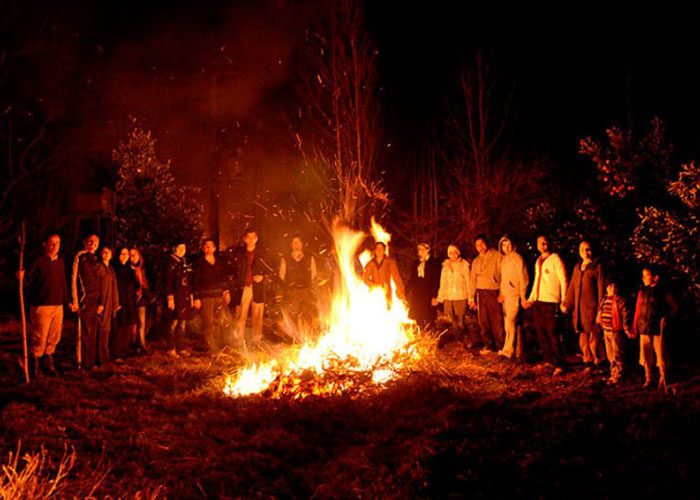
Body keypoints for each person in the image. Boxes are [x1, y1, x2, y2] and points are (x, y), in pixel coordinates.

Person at [22, 233, 70, 378]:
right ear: (45, 244)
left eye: (57, 243)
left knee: (54, 336)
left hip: (57, 305)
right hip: (41, 305)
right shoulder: (38, 261)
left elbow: (63, 283)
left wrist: (67, 301)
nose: (55, 246)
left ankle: (48, 365)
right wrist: (21, 278)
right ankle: (34, 368)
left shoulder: (60, 262)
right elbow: (27, 282)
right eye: (52, 243)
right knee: (40, 337)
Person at [523, 235, 568, 376]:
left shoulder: (556, 260)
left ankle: (560, 364)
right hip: (539, 302)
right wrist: (531, 298)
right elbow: (537, 280)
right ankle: (549, 361)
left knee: (553, 333)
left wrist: (564, 300)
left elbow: (563, 279)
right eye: (540, 243)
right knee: (541, 333)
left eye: (545, 242)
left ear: (548, 244)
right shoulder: (538, 261)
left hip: (551, 301)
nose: (543, 245)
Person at [632, 266, 679, 389]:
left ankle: (663, 378)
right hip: (644, 327)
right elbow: (638, 310)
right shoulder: (642, 292)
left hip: (658, 328)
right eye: (643, 275)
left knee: (661, 355)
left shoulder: (663, 292)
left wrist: (666, 317)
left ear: (655, 277)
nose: (643, 278)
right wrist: (634, 325)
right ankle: (648, 378)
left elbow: (675, 308)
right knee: (646, 355)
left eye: (646, 275)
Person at [562, 240, 605, 372]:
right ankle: (587, 361)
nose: (585, 252)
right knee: (583, 340)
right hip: (579, 310)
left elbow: (601, 289)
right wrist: (567, 304)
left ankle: (599, 362)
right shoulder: (577, 267)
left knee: (594, 339)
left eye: (588, 249)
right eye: (582, 249)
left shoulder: (597, 267)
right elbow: (572, 288)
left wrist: (600, 310)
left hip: (591, 309)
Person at [72, 234, 107, 370]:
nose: (92, 244)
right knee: (84, 332)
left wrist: (100, 302)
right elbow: (74, 278)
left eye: (95, 242)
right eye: (90, 241)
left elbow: (99, 282)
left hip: (95, 299)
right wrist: (75, 300)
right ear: (85, 242)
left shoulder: (96, 260)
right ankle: (81, 362)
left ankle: (90, 362)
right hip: (84, 300)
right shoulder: (81, 257)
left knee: (93, 332)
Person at [194, 238, 233, 351]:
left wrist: (226, 291)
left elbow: (224, 278)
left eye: (210, 246)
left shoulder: (219, 262)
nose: (208, 248)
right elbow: (195, 281)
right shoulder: (199, 264)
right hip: (206, 297)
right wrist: (196, 298)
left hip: (219, 296)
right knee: (208, 322)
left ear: (215, 248)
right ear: (203, 248)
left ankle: (225, 344)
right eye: (206, 246)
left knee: (225, 320)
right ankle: (210, 345)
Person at [233, 228, 269, 346]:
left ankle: (257, 341)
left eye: (253, 237)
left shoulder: (263, 254)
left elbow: (270, 269)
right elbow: (233, 270)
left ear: (257, 239)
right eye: (248, 237)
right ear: (245, 239)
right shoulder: (239, 254)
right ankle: (238, 341)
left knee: (257, 316)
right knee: (240, 315)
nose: (251, 240)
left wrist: (263, 276)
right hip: (243, 288)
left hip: (257, 288)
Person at [468, 235, 503, 352]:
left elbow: (503, 275)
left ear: (486, 243)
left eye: (482, 244)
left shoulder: (497, 256)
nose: (480, 247)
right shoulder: (476, 261)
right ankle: (488, 345)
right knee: (483, 321)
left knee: (497, 320)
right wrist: (471, 298)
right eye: (478, 246)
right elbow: (472, 280)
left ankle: (501, 346)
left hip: (494, 291)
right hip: (481, 293)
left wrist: (502, 292)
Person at [279, 234, 318, 341]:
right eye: (293, 242)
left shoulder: (309, 258)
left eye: (298, 242)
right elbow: (282, 276)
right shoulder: (285, 259)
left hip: (306, 291)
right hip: (292, 292)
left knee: (307, 315)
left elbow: (313, 274)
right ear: (291, 245)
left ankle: (308, 339)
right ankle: (294, 340)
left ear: (302, 244)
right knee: (292, 316)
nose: (296, 244)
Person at [497, 235, 529, 360]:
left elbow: (523, 278)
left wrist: (523, 296)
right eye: (504, 245)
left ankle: (508, 350)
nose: (507, 247)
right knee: (508, 325)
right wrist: (501, 293)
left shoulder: (518, 258)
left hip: (515, 295)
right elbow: (503, 279)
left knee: (510, 323)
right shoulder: (504, 260)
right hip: (506, 297)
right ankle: (517, 351)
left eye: (509, 245)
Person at [596, 278, 632, 385]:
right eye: (610, 286)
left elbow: (625, 314)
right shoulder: (605, 300)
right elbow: (600, 310)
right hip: (606, 330)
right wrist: (599, 318)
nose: (612, 288)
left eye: (614, 286)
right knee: (610, 353)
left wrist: (626, 327)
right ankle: (613, 373)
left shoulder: (620, 300)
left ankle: (619, 374)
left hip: (615, 330)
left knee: (617, 353)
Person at [164, 241, 193, 357]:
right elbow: (167, 282)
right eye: (179, 248)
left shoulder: (184, 263)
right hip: (175, 297)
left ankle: (181, 347)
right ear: (174, 249)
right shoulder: (170, 263)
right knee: (173, 323)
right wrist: (170, 297)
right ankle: (171, 348)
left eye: (184, 248)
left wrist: (190, 295)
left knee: (182, 323)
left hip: (183, 297)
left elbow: (188, 280)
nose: (181, 251)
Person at [436, 244, 470, 341]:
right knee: (453, 322)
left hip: (461, 296)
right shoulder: (445, 266)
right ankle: (460, 340)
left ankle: (466, 337)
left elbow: (468, 281)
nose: (452, 254)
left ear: (458, 253)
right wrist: (439, 298)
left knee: (460, 322)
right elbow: (442, 282)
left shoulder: (464, 265)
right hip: (448, 297)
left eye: (454, 252)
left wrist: (470, 297)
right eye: (450, 252)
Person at [112, 247, 139, 360]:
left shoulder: (130, 270)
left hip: (130, 302)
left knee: (129, 327)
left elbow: (135, 285)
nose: (125, 256)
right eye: (122, 254)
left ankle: (126, 351)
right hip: (120, 302)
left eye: (126, 254)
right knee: (120, 328)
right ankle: (116, 353)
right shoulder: (114, 270)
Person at [406, 242, 441, 329]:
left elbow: (436, 280)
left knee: (429, 317)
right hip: (417, 293)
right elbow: (412, 278)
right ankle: (421, 333)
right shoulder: (416, 263)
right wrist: (406, 290)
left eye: (422, 249)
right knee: (418, 316)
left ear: (428, 250)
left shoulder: (434, 263)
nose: (420, 251)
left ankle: (431, 335)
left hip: (429, 293)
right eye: (419, 249)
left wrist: (435, 296)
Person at [363, 241, 406, 306]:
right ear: (375, 251)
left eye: (381, 249)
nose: (379, 251)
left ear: (384, 250)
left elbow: (396, 277)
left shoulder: (389, 262)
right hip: (375, 293)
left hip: (387, 293)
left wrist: (402, 292)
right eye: (378, 249)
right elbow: (365, 279)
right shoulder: (371, 264)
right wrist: (375, 286)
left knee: (387, 310)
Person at [97, 245, 120, 367]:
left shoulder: (110, 269)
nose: (106, 255)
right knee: (102, 330)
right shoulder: (99, 268)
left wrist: (116, 303)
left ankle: (106, 355)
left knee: (108, 330)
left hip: (110, 303)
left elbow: (114, 287)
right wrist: (99, 303)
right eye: (104, 252)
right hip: (103, 303)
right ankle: (101, 358)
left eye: (108, 252)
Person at [129, 248, 151, 353]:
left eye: (135, 255)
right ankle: (140, 346)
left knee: (144, 322)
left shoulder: (143, 268)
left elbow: (147, 282)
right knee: (137, 324)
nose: (133, 257)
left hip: (144, 298)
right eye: (131, 255)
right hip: (134, 299)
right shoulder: (129, 269)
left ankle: (140, 344)